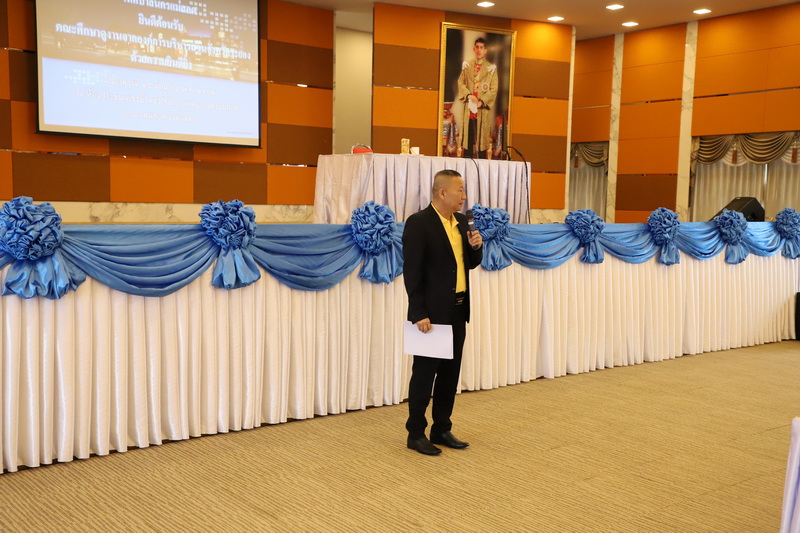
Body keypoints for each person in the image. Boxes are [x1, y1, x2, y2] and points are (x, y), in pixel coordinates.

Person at [402, 169, 483, 456]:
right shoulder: (419, 223)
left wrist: (477, 248)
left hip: (458, 309)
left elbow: (469, 263)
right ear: (442, 192)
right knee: (424, 376)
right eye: (460, 190)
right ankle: (415, 433)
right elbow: (411, 271)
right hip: (431, 315)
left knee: (450, 374)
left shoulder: (461, 222)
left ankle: (441, 428)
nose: (464, 196)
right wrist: (418, 312)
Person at [454, 37, 498, 159]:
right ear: (474, 49)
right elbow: (460, 83)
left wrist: (481, 102)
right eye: (477, 47)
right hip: (469, 111)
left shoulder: (491, 68)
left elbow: (493, 89)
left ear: (485, 50)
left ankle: (481, 170)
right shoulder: (467, 65)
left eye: (481, 47)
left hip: (482, 111)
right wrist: (469, 95)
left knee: (481, 147)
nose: (479, 50)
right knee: (467, 146)